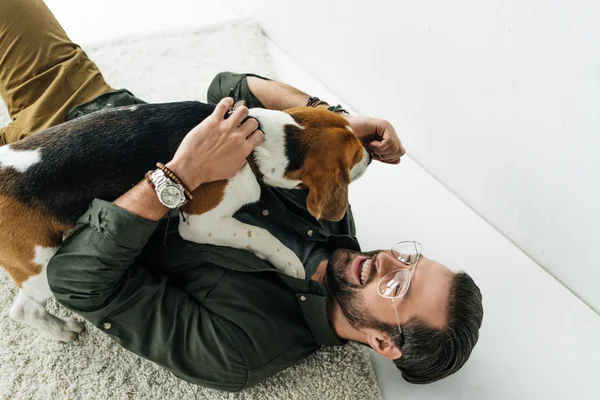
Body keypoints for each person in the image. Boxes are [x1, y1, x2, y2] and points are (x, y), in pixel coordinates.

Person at [0, 0, 483, 392]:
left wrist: (179, 177)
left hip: (35, 208)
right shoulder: (331, 212)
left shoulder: (242, 350)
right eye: (409, 259)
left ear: (384, 342)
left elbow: (76, 282)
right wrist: (327, 120)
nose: (388, 262)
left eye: (399, 287)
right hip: (88, 112)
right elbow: (229, 88)